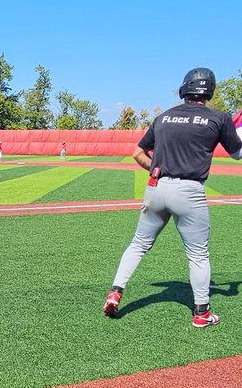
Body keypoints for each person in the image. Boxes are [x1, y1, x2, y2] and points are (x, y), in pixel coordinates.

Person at [103, 68, 242, 328]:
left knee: (138, 244)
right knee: (198, 254)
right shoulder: (219, 118)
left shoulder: (163, 117)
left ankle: (115, 291)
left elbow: (137, 153)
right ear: (209, 91)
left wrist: (157, 169)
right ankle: (201, 313)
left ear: (185, 88)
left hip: (156, 187)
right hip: (189, 191)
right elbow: (237, 153)